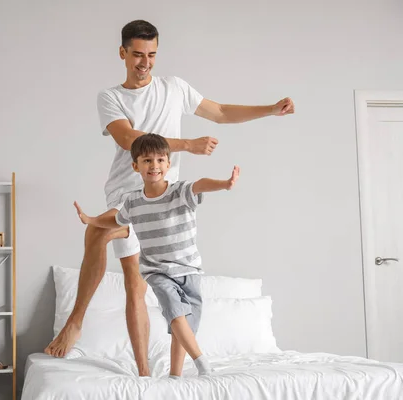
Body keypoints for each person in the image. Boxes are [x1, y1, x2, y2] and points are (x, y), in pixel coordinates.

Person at [44, 19, 294, 377]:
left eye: (151, 55)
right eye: (137, 55)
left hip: (165, 198)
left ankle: (147, 369)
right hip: (127, 191)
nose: (144, 62)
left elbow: (221, 112)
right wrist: (187, 146)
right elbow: (130, 139)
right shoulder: (111, 97)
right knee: (113, 255)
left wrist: (269, 109)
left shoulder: (174, 88)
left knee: (142, 277)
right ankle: (108, 346)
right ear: (122, 54)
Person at [73, 133, 239, 377]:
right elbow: (114, 219)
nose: (154, 166)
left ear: (168, 164)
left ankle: (175, 375)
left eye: (160, 160)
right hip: (157, 270)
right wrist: (91, 219)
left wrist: (224, 184)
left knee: (185, 328)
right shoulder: (133, 202)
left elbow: (200, 183)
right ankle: (202, 362)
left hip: (189, 269)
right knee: (175, 311)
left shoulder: (180, 192)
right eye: (147, 161)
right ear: (135, 166)